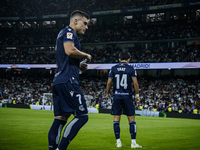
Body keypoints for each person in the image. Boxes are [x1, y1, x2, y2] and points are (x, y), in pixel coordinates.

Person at [48, 10, 92, 150]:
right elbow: (69, 50)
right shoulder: (69, 32)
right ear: (75, 21)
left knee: (60, 119)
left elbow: (65, 57)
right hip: (68, 80)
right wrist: (86, 54)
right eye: (85, 23)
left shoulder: (63, 33)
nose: (86, 27)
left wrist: (79, 65)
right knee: (82, 116)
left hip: (59, 80)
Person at [106, 51, 142, 149]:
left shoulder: (113, 68)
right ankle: (133, 143)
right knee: (131, 119)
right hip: (127, 96)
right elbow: (135, 83)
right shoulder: (131, 68)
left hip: (117, 96)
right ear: (129, 59)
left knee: (116, 119)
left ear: (119, 59)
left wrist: (107, 93)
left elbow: (109, 82)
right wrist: (137, 95)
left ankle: (118, 142)